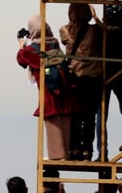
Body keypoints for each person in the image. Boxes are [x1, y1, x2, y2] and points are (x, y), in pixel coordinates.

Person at [16, 15, 76, 160]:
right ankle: (66, 152)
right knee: (65, 118)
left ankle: (57, 155)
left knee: (52, 120)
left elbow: (21, 59)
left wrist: (22, 44)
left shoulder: (32, 49)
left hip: (48, 90)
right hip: (63, 87)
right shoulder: (54, 43)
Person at [59, 1, 105, 161]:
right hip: (94, 77)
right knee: (90, 117)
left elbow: (68, 45)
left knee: (75, 116)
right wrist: (96, 17)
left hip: (75, 77)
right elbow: (107, 32)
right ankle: (87, 150)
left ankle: (74, 149)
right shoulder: (96, 31)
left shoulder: (64, 30)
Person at [94, 4, 122, 161]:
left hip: (105, 75)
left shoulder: (104, 31)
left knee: (101, 116)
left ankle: (102, 152)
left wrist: (96, 19)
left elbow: (107, 30)